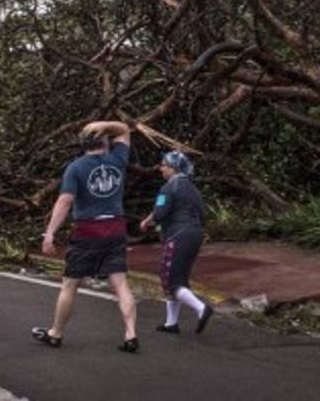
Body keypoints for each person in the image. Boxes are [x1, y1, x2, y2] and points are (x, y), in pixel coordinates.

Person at [32, 120, 139, 353]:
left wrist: (49, 234)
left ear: (83, 144)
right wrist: (102, 125)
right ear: (105, 140)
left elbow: (65, 202)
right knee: (120, 283)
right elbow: (123, 128)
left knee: (70, 284)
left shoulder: (76, 167)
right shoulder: (118, 160)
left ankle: (56, 333)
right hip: (115, 228)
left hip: (87, 231)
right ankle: (131, 334)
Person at [140, 150, 214, 334]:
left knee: (170, 279)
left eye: (163, 165)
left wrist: (147, 223)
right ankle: (171, 323)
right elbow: (203, 216)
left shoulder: (168, 188)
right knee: (179, 277)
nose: (160, 169)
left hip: (177, 235)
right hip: (195, 234)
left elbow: (159, 214)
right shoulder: (192, 188)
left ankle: (201, 308)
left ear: (173, 168)